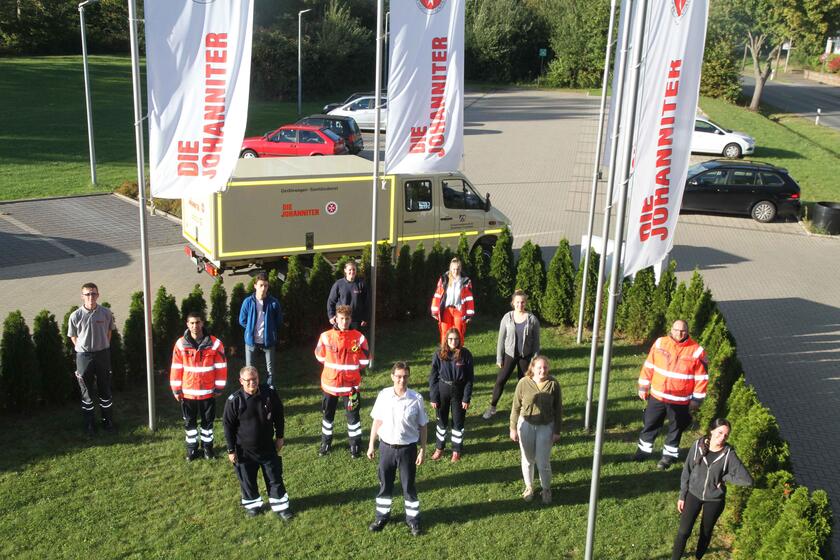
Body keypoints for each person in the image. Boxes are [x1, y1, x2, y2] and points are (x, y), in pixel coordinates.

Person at [671, 419, 752, 560]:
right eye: (720, 432)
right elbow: (687, 471)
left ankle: (698, 557)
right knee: (683, 532)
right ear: (712, 430)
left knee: (705, 532)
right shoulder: (698, 446)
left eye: (726, 435)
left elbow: (747, 480)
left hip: (714, 500)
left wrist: (725, 477)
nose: (722, 437)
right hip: (693, 494)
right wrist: (682, 495)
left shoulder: (729, 454)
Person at [635, 319, 709, 470]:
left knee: (676, 429)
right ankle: (643, 452)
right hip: (658, 396)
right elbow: (649, 366)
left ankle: (668, 457)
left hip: (680, 400)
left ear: (687, 332)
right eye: (676, 330)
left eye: (682, 331)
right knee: (650, 423)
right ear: (671, 329)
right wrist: (643, 386)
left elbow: (702, 378)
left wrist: (696, 400)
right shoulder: (660, 343)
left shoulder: (697, 351)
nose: (679, 333)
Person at [223, 366, 293, 520]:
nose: (252, 383)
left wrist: (280, 437)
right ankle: (253, 506)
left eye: (254, 379)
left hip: (267, 446)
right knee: (247, 480)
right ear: (241, 381)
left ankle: (281, 507)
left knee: (274, 477)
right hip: (244, 451)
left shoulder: (269, 393)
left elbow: (279, 415)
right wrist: (231, 450)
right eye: (248, 380)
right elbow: (228, 427)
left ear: (258, 378)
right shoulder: (234, 401)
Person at [367, 362, 428, 536]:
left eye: (405, 376)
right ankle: (382, 517)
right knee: (385, 484)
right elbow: (377, 421)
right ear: (392, 377)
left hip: (407, 450)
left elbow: (423, 426)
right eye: (399, 376)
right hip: (386, 448)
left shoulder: (416, 398)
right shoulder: (384, 395)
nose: (402, 380)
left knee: (408, 486)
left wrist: (422, 450)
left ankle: (413, 521)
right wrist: (371, 444)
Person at [170, 312, 227, 461]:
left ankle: (208, 448)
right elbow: (176, 368)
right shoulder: (180, 344)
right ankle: (192, 450)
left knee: (208, 423)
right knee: (190, 423)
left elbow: (221, 367)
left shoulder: (215, 343)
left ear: (202, 323)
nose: (195, 326)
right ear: (187, 325)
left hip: (208, 392)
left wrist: (219, 387)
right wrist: (176, 389)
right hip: (188, 393)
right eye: (192, 323)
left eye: (197, 322)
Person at [314, 304, 370, 458]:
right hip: (330, 386)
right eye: (341, 318)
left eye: (347, 319)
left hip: (350, 387)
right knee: (327, 416)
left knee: (353, 417)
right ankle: (325, 443)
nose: (344, 322)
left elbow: (365, 360)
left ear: (351, 319)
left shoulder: (359, 337)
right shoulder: (325, 336)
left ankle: (355, 445)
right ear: (336, 319)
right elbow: (319, 355)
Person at [509, 355, 562, 504]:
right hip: (526, 424)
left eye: (545, 367)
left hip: (546, 426)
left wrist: (557, 430)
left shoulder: (553, 384)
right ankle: (529, 487)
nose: (542, 370)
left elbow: (558, 409)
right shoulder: (523, 383)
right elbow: (516, 406)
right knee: (527, 459)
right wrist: (513, 427)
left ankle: (546, 489)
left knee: (543, 461)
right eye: (539, 367)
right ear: (532, 368)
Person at [67, 282, 117, 435]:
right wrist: (83, 348)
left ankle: (107, 421)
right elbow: (73, 337)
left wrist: (102, 345)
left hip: (102, 354)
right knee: (86, 392)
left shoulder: (106, 313)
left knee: (105, 389)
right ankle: (89, 424)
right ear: (82, 296)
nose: (91, 297)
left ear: (98, 295)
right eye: (87, 294)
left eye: (93, 293)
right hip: (84, 357)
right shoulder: (75, 316)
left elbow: (109, 332)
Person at [483, 290, 541, 420]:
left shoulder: (532, 319)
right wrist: (499, 357)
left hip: (525, 356)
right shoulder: (507, 317)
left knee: (524, 383)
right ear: (513, 303)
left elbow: (536, 342)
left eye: (522, 302)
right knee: (500, 380)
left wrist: (535, 359)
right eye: (517, 302)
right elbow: (501, 339)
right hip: (509, 355)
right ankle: (492, 407)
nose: (520, 305)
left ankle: (524, 409)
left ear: (525, 303)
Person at [428, 327, 474, 462]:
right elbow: (433, 378)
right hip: (443, 390)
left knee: (458, 422)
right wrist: (433, 397)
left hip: (459, 391)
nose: (453, 341)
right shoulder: (438, 354)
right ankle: (439, 448)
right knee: (441, 421)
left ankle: (456, 450)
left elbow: (469, 379)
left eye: (456, 339)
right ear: (446, 340)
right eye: (451, 339)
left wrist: (466, 397)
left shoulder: (465, 354)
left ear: (460, 340)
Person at [239, 272, 283, 387]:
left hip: (268, 341)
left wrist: (270, 331)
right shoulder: (248, 302)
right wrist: (250, 329)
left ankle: (269, 390)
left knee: (270, 371)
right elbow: (242, 320)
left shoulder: (273, 303)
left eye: (266, 285)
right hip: (251, 342)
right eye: (261, 285)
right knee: (250, 370)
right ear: (255, 286)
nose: (263, 288)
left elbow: (279, 321)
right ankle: (251, 390)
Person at [430, 257, 475, 346]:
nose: (455, 271)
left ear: (460, 268)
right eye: (454, 269)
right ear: (450, 268)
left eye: (457, 269)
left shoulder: (465, 281)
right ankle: (444, 352)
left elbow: (469, 298)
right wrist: (434, 311)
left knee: (459, 333)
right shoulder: (444, 279)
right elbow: (438, 295)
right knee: (445, 333)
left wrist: (469, 314)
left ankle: (458, 353)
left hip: (459, 310)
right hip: (446, 310)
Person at [327, 260, 369, 331]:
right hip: (341, 320)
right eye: (350, 270)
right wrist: (331, 316)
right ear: (345, 270)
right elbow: (331, 301)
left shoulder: (361, 284)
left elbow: (366, 303)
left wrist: (365, 318)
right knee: (340, 338)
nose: (352, 272)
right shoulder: (338, 284)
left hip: (355, 321)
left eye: (354, 269)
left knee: (354, 338)